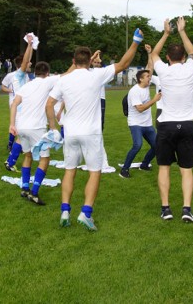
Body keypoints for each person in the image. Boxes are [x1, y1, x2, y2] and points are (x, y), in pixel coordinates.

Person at [46, 28, 143, 231]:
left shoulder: (64, 79)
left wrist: (54, 129)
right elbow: (124, 64)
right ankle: (86, 213)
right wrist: (135, 41)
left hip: (70, 133)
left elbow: (49, 104)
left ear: (73, 61)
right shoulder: (96, 75)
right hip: (91, 133)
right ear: (90, 60)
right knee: (94, 172)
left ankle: (65, 210)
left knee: (69, 172)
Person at [151, 17, 193, 223]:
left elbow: (153, 54)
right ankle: (186, 209)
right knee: (186, 170)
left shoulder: (163, 70)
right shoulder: (191, 68)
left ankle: (166, 208)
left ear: (168, 57)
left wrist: (166, 33)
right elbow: (192, 52)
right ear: (182, 58)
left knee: (164, 167)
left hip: (167, 125)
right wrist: (182, 31)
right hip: (187, 125)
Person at [9, 60, 60, 205]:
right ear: (47, 73)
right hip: (36, 128)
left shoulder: (26, 86)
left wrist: (12, 124)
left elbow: (14, 104)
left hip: (22, 127)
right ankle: (34, 192)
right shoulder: (47, 81)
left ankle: (25, 188)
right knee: (45, 159)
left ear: (35, 72)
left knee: (28, 156)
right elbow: (68, 73)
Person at [119, 67, 162, 179]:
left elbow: (150, 67)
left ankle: (144, 165)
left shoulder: (146, 86)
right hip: (135, 123)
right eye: (147, 77)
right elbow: (140, 108)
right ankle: (124, 170)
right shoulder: (134, 91)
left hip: (147, 124)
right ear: (141, 79)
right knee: (137, 145)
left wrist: (149, 53)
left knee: (157, 145)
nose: (150, 78)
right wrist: (154, 100)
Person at [2, 36, 34, 171]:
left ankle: (10, 161)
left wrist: (31, 46)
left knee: (23, 137)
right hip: (20, 110)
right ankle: (10, 162)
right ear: (23, 64)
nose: (31, 64)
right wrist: (29, 44)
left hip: (23, 110)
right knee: (22, 137)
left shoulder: (24, 75)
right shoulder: (19, 75)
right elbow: (26, 60)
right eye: (29, 63)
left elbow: (27, 59)